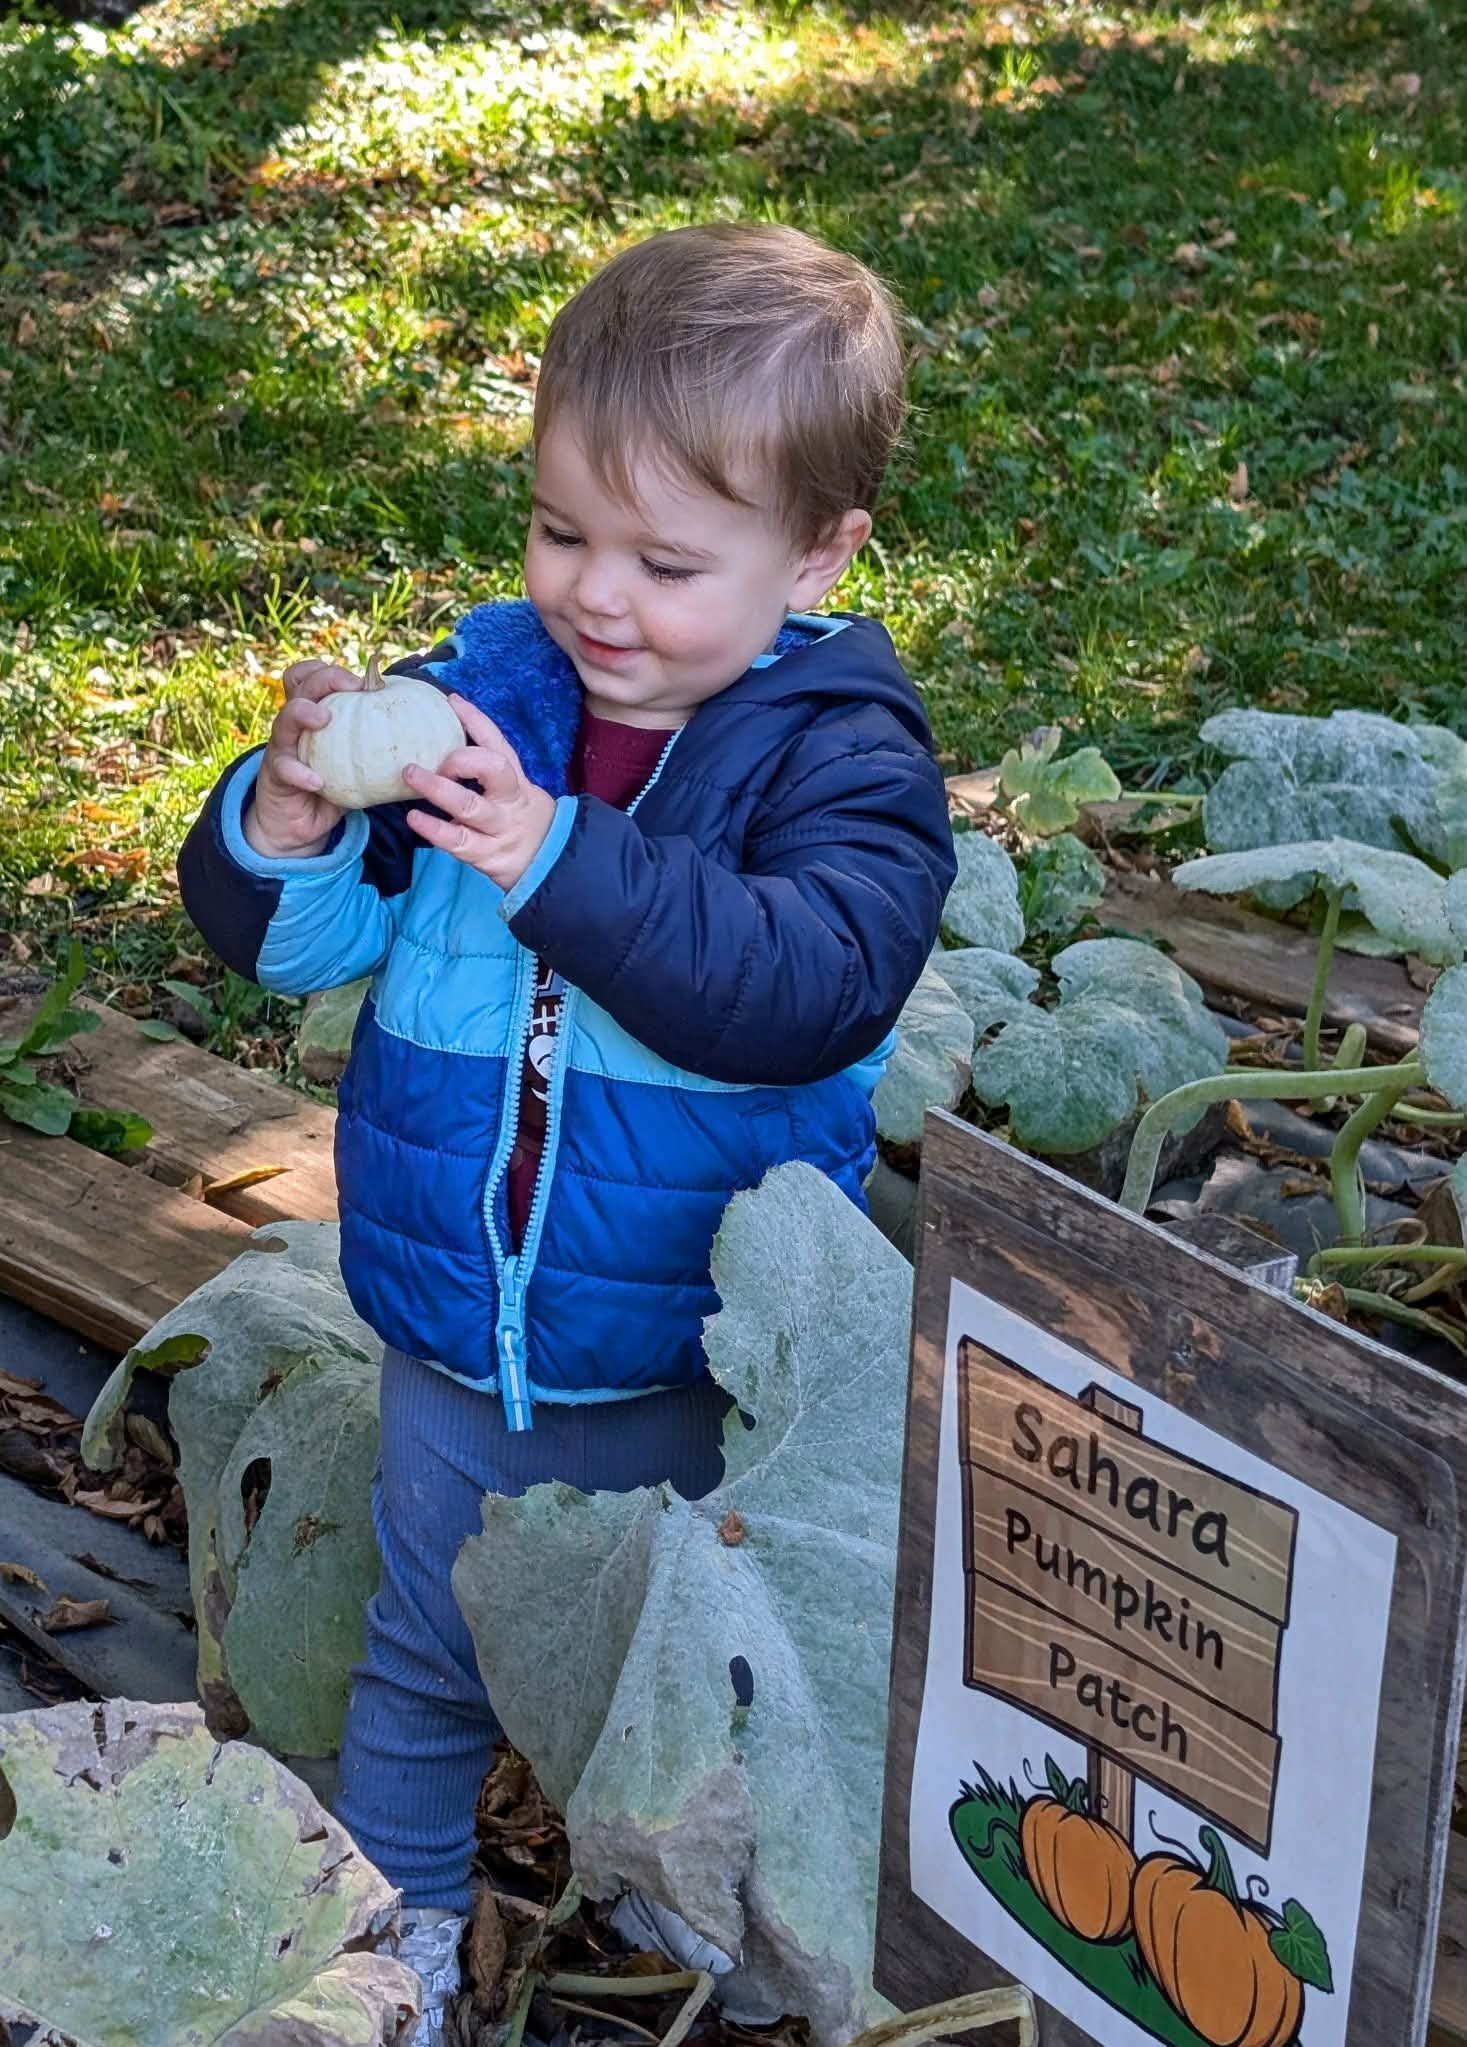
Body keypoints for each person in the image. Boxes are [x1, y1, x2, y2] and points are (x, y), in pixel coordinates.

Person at [178, 220, 956, 2038]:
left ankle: (721, 1933)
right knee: (427, 1658)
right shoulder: (486, 696)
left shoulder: (839, 755)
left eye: (668, 562)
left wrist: (554, 858)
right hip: (463, 1332)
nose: (598, 596)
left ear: (819, 553)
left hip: (690, 1351)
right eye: (560, 531)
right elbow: (305, 943)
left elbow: (809, 982)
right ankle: (393, 1947)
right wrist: (285, 824)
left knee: (688, 1681)